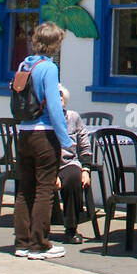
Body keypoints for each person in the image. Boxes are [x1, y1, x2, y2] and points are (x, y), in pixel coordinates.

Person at [13, 23, 74, 260]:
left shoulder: (24, 64)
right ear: (54, 44)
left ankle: (22, 242)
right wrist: (65, 139)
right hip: (44, 134)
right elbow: (54, 105)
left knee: (24, 189)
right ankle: (39, 244)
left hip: (24, 132)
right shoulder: (49, 68)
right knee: (44, 190)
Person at [54, 84, 93, 244]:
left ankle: (71, 228)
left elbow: (84, 145)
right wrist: (52, 174)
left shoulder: (73, 117)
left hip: (68, 162)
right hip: (48, 164)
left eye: (61, 95)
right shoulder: (45, 119)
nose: (58, 97)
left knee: (73, 178)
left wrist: (86, 169)